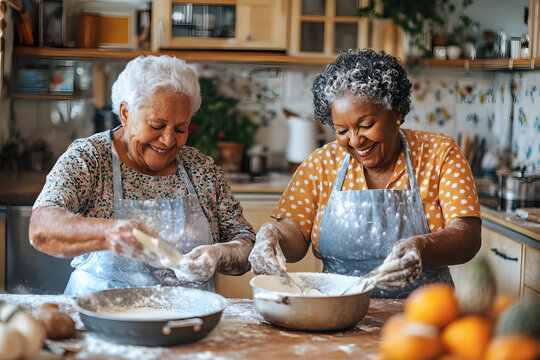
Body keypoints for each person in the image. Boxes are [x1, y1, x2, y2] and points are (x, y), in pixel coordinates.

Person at [249, 49, 481, 298]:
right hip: (339, 314)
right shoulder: (321, 164)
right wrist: (273, 237)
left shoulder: (439, 154)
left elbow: (467, 236)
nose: (356, 140)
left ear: (396, 113)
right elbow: (295, 235)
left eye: (366, 125)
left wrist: (420, 246)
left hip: (425, 315)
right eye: (341, 130)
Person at [29, 55, 255, 296]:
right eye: (157, 125)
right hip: (100, 319)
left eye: (181, 128)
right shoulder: (90, 159)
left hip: (187, 322)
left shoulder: (201, 170)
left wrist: (219, 255)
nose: (169, 140)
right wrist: (106, 233)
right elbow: (41, 229)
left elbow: (245, 246)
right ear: (126, 113)